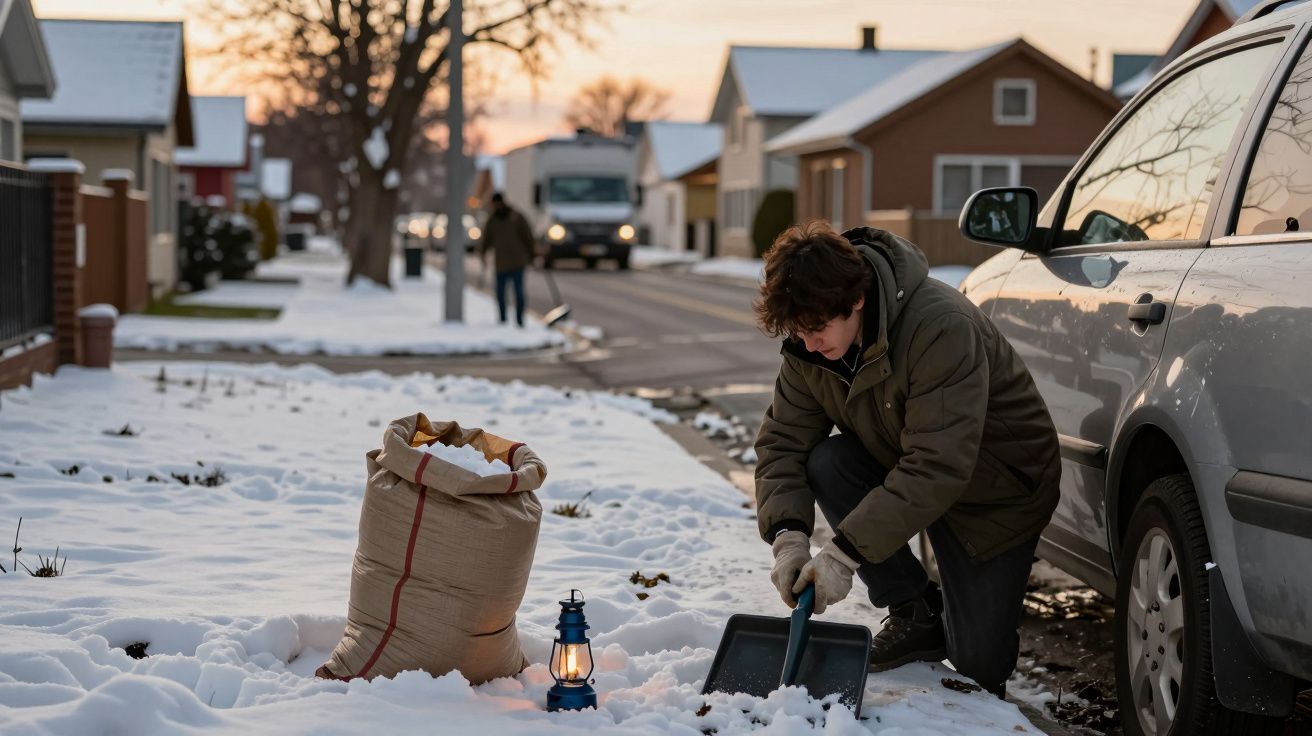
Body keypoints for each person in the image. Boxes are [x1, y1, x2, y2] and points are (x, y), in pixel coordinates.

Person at [752, 221, 1061, 699]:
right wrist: (788, 538)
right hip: (906, 467)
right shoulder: (808, 348)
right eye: (797, 331)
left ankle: (959, 623)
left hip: (995, 493)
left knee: (976, 665)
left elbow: (938, 466)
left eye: (815, 329)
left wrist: (843, 554)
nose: (807, 344)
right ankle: (914, 612)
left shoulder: (939, 326)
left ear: (855, 300)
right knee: (828, 461)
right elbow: (783, 444)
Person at [479, 192, 536, 327]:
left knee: (519, 292)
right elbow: (486, 239)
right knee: (500, 293)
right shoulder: (492, 220)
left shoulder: (516, 217)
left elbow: (528, 236)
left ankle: (519, 319)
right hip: (501, 262)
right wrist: (482, 253)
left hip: (517, 261)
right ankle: (503, 318)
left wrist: (532, 253)